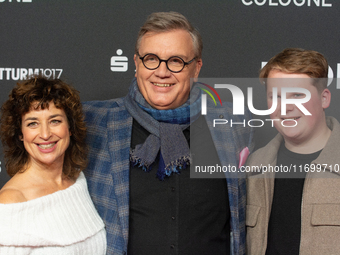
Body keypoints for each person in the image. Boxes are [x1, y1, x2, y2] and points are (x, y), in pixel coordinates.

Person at [83, 11, 253, 255]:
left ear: (196, 68)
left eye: (176, 61)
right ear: (136, 63)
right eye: (151, 59)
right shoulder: (93, 122)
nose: (162, 72)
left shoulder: (233, 125)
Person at [246, 48, 340, 254]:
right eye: (275, 96)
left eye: (298, 95)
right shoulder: (254, 167)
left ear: (324, 99)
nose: (286, 107)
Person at [0, 76, 106, 254]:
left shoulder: (78, 182)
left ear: (70, 127)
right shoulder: (11, 202)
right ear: (20, 133)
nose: (45, 134)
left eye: (55, 121)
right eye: (33, 123)